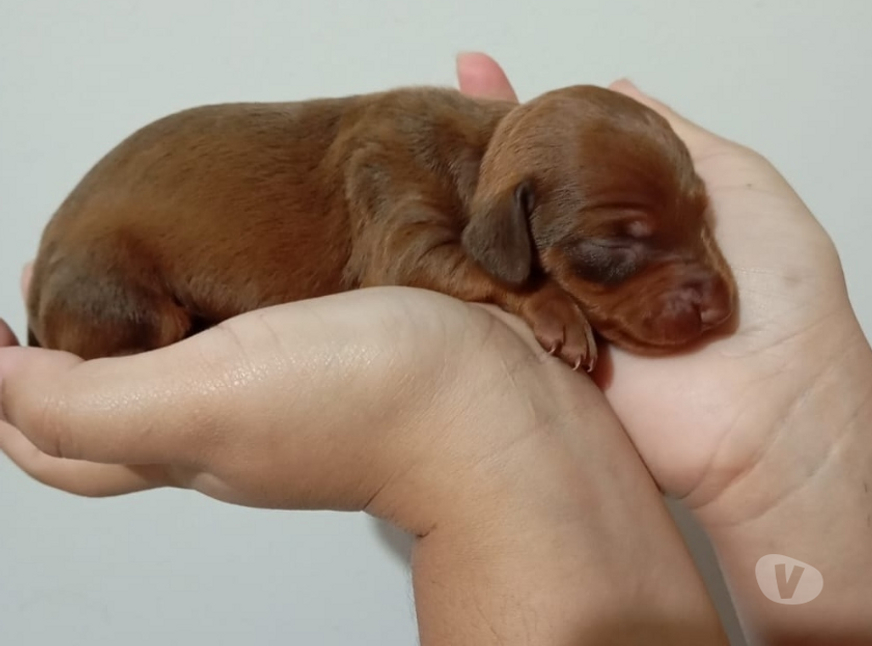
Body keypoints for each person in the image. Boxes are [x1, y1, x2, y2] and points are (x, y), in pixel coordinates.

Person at [1, 53, 870, 645]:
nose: (707, 285)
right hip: (116, 277)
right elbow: (410, 259)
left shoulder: (512, 181)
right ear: (509, 229)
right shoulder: (407, 170)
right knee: (119, 316)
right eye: (620, 248)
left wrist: (800, 433)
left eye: (697, 227)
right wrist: (523, 294)